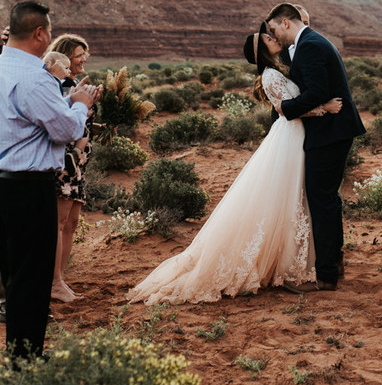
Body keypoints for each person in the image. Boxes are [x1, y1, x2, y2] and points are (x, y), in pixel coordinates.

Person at [129, 23, 342, 304]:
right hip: (289, 137)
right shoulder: (270, 76)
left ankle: (298, 260)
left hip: (297, 138)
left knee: (295, 196)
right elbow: (287, 109)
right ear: (262, 51)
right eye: (268, 38)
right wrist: (323, 108)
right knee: (284, 197)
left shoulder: (281, 69)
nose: (273, 37)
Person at [0, 1, 98, 358]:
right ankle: (25, 362)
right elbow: (66, 129)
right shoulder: (33, 77)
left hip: (4, 182)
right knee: (31, 278)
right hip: (27, 186)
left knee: (12, 273)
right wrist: (80, 102)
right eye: (51, 31)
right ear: (40, 34)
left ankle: (18, 355)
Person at [265, 3, 365, 293]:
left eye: (273, 29)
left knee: (322, 201)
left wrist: (285, 108)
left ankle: (326, 275)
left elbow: (318, 91)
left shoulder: (309, 45)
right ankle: (333, 263)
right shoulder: (312, 41)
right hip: (331, 132)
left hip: (330, 133)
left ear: (285, 23)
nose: (274, 36)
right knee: (326, 199)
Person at [48, 33, 101, 303]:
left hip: (80, 163)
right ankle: (53, 282)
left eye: (84, 55)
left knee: (72, 223)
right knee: (58, 223)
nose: (83, 59)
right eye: (78, 54)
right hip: (66, 161)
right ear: (65, 56)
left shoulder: (77, 84)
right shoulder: (56, 85)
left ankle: (60, 279)